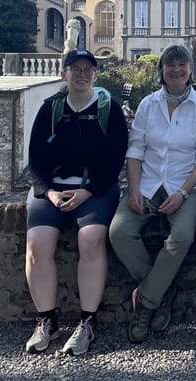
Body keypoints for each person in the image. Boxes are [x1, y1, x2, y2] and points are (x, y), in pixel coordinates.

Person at [109, 45, 196, 343]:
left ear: (191, 69)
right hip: (148, 182)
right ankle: (162, 290)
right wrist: (133, 189)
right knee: (118, 232)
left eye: (182, 65)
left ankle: (146, 301)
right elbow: (136, 149)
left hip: (186, 185)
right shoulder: (147, 105)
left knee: (182, 235)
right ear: (162, 70)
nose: (176, 70)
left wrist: (183, 193)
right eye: (171, 65)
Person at [23, 49, 127, 356]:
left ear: (96, 75)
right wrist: (49, 192)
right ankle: (46, 320)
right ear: (64, 73)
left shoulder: (110, 109)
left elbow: (115, 159)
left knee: (91, 239)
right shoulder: (50, 109)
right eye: (75, 68)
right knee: (38, 244)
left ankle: (87, 321)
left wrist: (88, 191)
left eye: (87, 69)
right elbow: (36, 159)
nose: (81, 74)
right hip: (52, 191)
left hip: (95, 190)